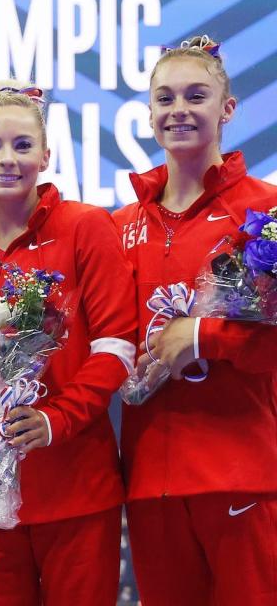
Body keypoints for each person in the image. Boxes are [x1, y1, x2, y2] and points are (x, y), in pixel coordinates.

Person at [0, 81, 136, 605]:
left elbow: (117, 345)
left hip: (76, 485)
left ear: (46, 154)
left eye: (23, 145)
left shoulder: (85, 227)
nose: (7, 159)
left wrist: (57, 418)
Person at [113, 36, 277, 605]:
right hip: (150, 479)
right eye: (165, 98)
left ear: (227, 108)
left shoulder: (266, 212)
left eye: (196, 95)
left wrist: (206, 334)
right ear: (151, 114)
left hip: (240, 471)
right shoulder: (120, 225)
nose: (178, 109)